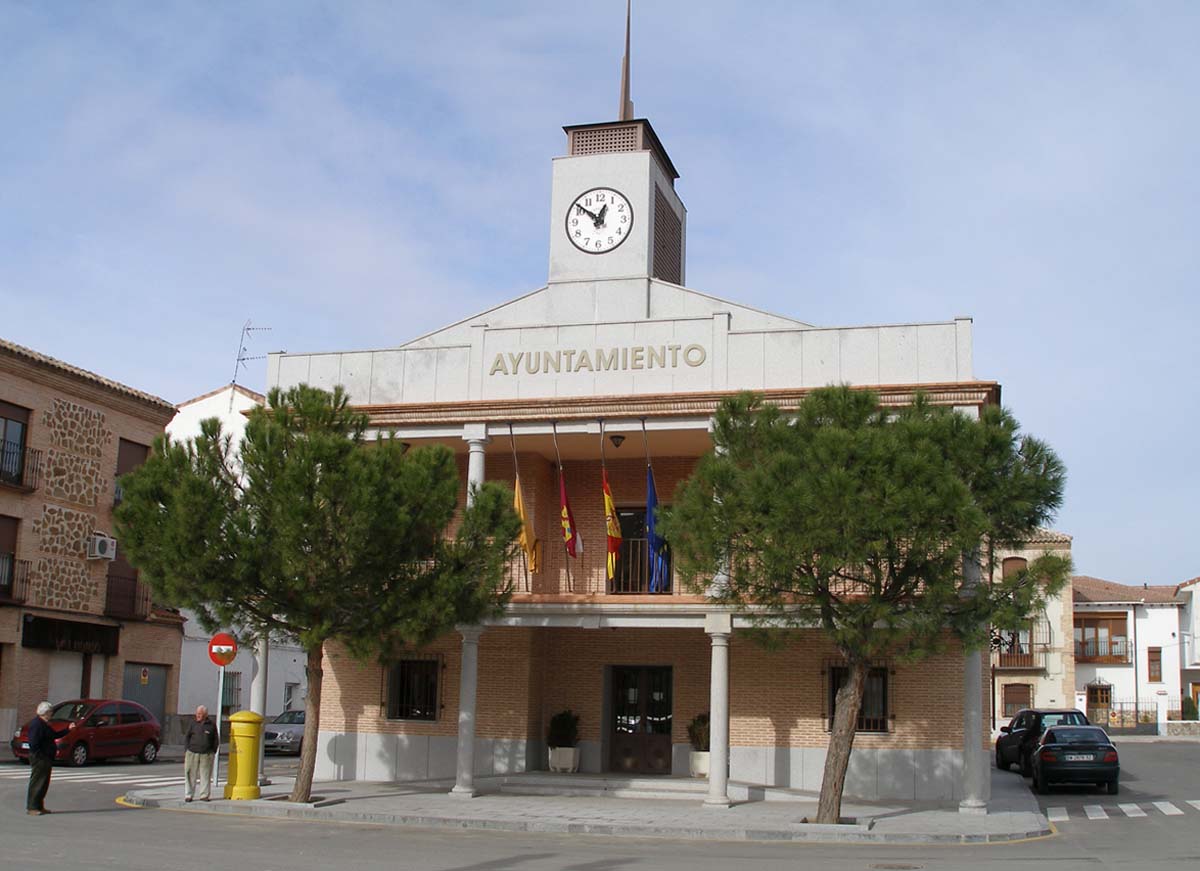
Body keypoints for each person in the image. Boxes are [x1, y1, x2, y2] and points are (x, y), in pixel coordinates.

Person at [26, 701, 77, 816]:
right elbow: (34, 743)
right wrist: (40, 754)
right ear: (45, 712)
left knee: (44, 782)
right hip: (40, 757)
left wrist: (68, 729)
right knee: (37, 782)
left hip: (46, 757)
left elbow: (54, 735)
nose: (51, 714)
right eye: (50, 712)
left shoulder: (44, 724)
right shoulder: (37, 724)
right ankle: (32, 807)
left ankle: (39, 806)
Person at [183, 705, 218, 802]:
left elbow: (215, 739)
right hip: (192, 753)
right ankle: (189, 795)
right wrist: (186, 750)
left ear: (205, 715)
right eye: (197, 713)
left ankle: (204, 795)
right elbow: (187, 737)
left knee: (205, 775)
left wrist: (213, 751)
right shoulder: (192, 723)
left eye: (200, 714)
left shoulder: (211, 725)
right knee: (190, 774)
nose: (197, 715)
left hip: (206, 754)